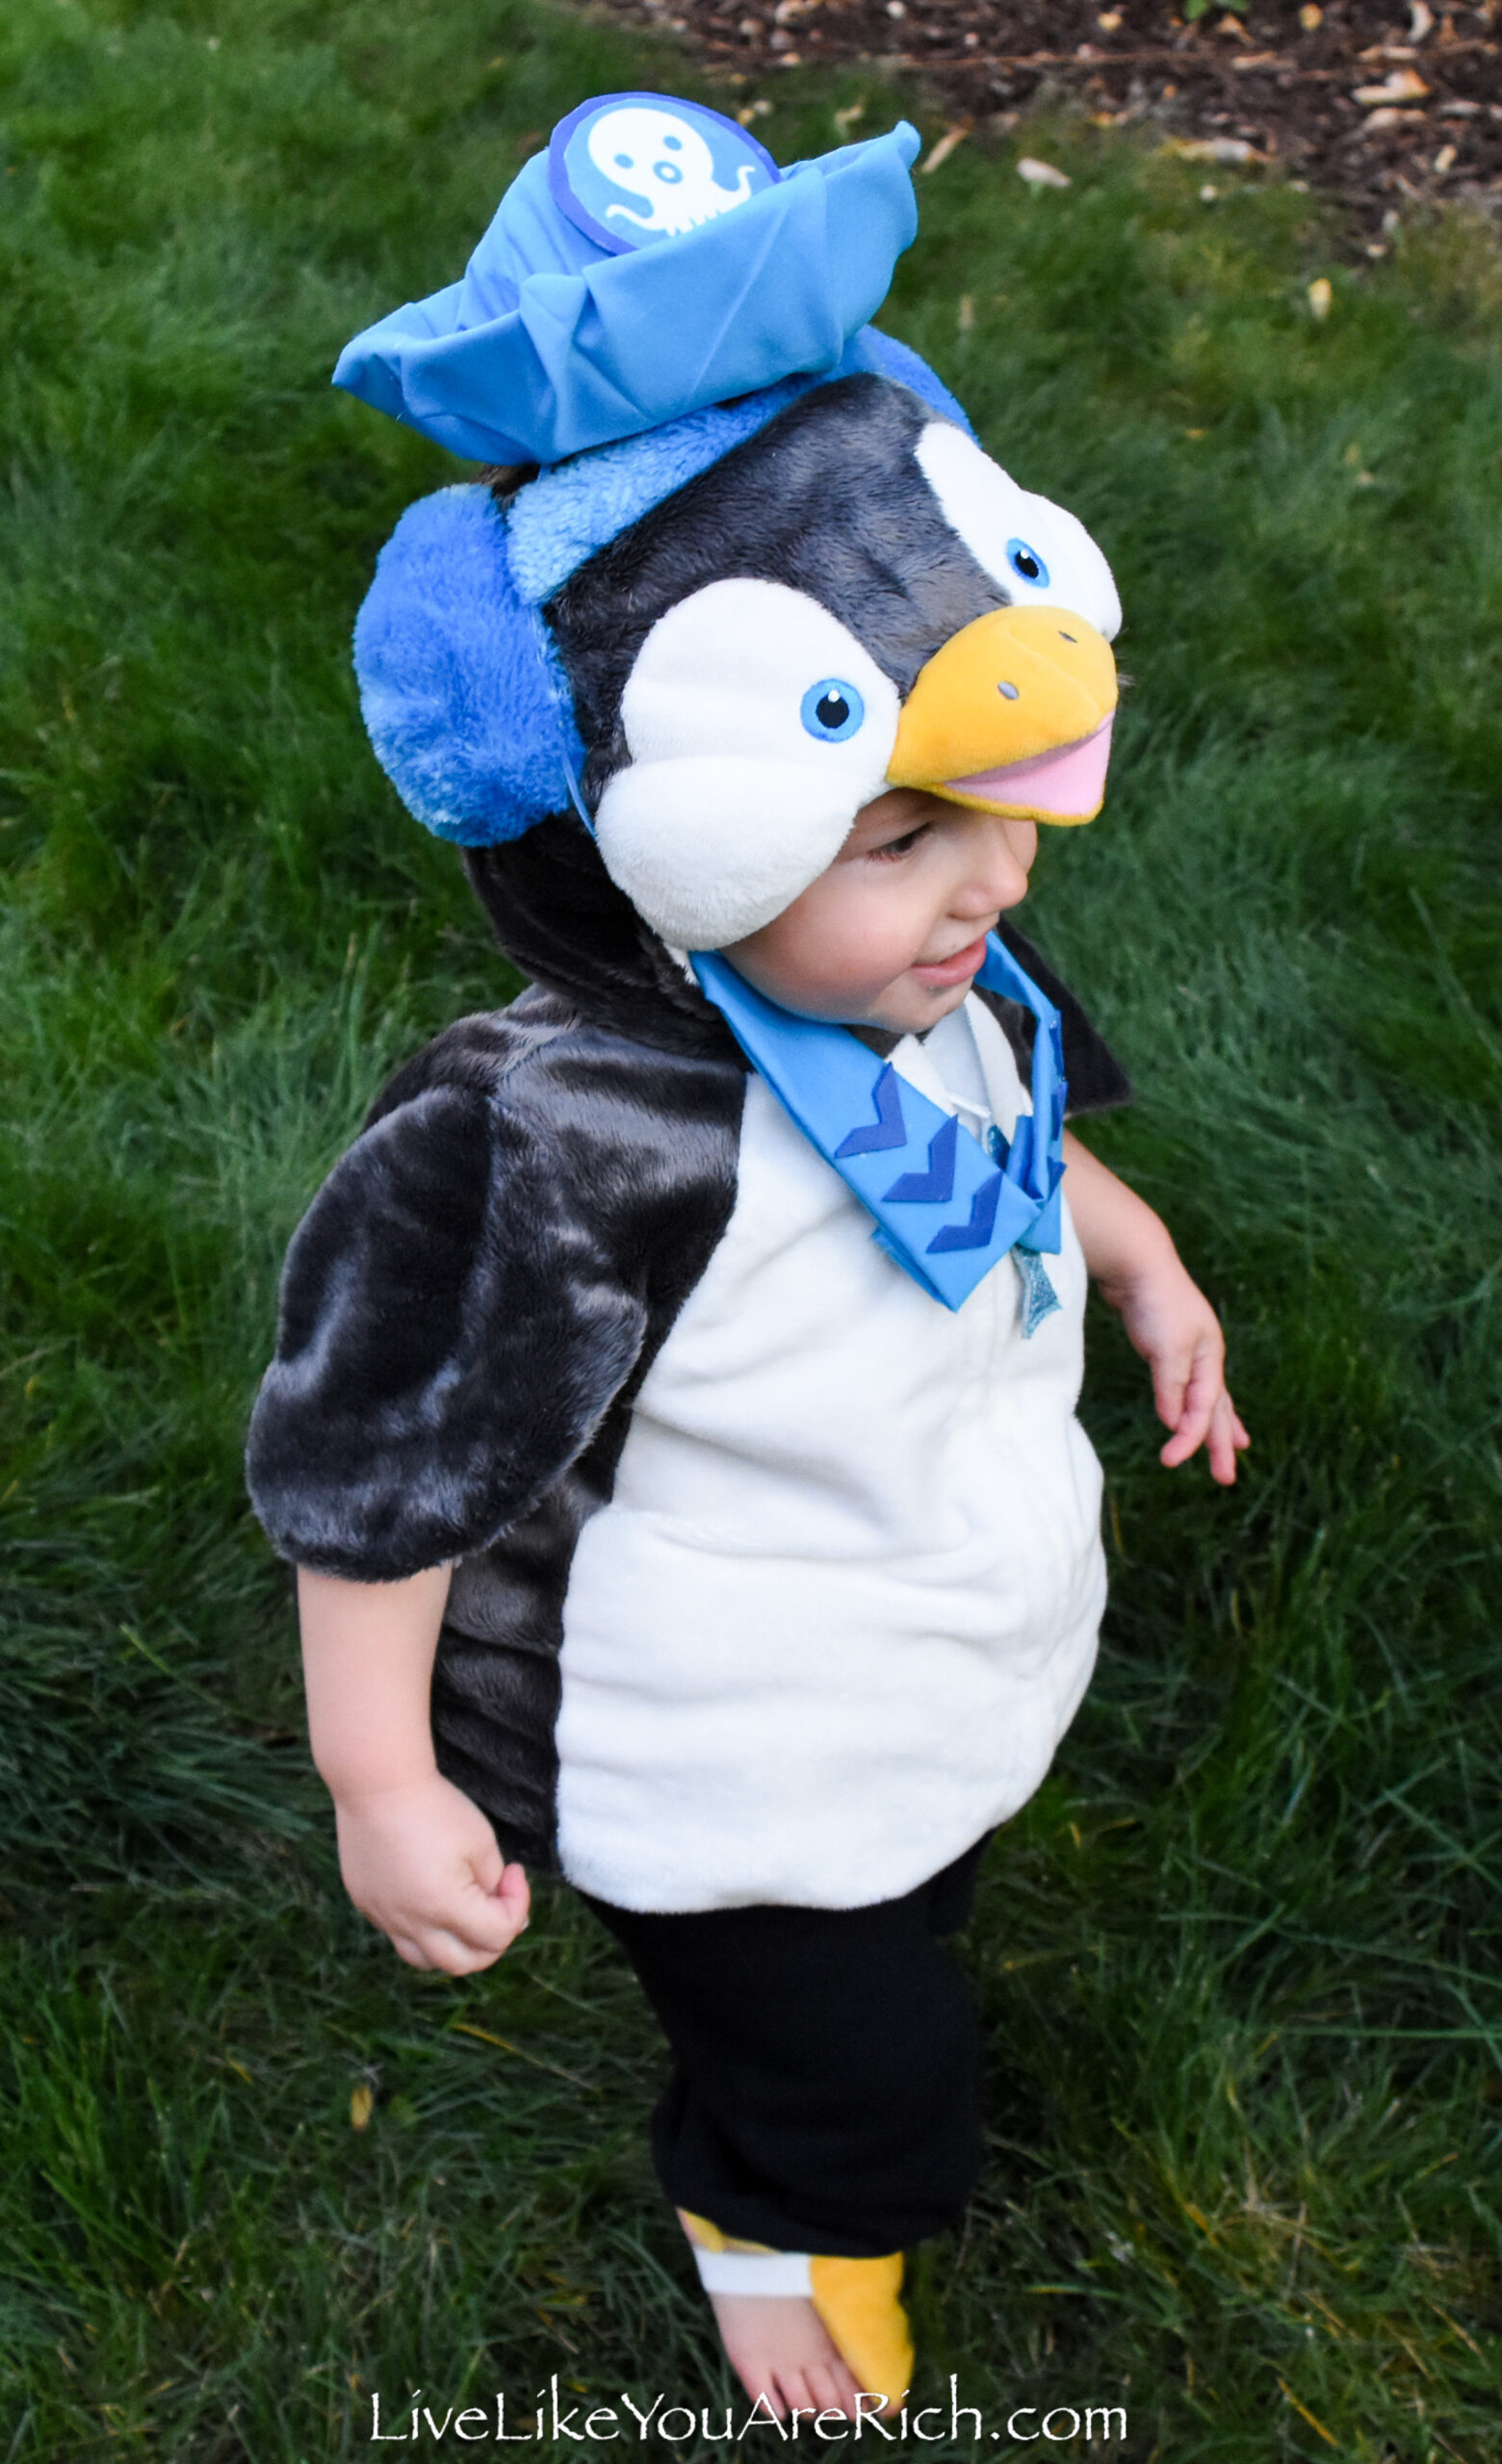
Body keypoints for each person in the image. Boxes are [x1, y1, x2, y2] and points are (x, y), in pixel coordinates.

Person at [247, 91, 1248, 2425]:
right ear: (629, 821)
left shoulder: (928, 974)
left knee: (925, 1900)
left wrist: (1136, 1255)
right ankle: (771, 2217)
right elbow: (380, 1473)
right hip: (738, 1746)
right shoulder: (570, 1133)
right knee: (861, 2074)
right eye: (896, 828)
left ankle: (814, 2100)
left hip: (937, 1625)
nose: (992, 877)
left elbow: (1014, 1148)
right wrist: (379, 1773)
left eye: (987, 812)